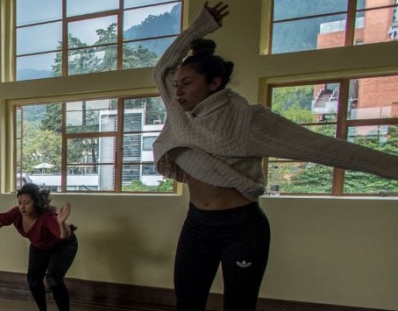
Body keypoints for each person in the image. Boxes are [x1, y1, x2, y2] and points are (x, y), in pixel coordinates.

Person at [152, 3, 398, 309]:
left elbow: (320, 146)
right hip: (197, 224)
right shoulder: (179, 113)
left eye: (187, 83)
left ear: (214, 83)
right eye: (177, 85)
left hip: (242, 227)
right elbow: (162, 68)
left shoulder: (246, 121)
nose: (177, 91)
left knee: (239, 306)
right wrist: (198, 27)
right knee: (187, 303)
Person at [0, 184, 77, 311]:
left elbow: (64, 235)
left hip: (63, 245)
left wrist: (61, 223)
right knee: (33, 281)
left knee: (53, 278)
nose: (22, 206)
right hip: (40, 245)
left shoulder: (47, 217)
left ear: (36, 202)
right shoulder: (17, 213)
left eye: (26, 203)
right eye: (20, 202)